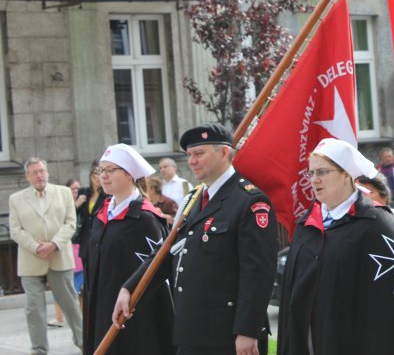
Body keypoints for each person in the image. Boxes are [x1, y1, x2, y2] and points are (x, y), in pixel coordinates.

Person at [278, 138, 394, 355]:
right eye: (311, 173)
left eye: (322, 172)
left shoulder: (376, 225)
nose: (314, 180)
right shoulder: (307, 225)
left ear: (346, 174)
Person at [114, 123, 278, 355]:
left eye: (199, 153)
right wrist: (130, 288)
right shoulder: (194, 199)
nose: (192, 161)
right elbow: (167, 251)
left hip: (229, 335)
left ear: (223, 153)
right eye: (189, 154)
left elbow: (258, 272)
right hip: (192, 331)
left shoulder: (249, 202)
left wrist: (248, 330)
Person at [84, 144, 173, 355]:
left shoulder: (145, 218)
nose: (103, 176)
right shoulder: (102, 214)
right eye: (100, 170)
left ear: (130, 174)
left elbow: (157, 272)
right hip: (100, 308)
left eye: (110, 170)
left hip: (135, 317)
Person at [8, 157, 83, 355]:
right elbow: (15, 231)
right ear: (27, 176)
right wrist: (35, 247)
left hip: (59, 257)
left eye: (42, 171)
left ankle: (86, 344)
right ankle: (39, 350)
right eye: (34, 172)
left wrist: (54, 244)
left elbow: (70, 224)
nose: (39, 175)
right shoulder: (16, 199)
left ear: (47, 172)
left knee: (71, 305)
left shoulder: (64, 193)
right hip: (31, 260)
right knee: (34, 309)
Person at [48, 179, 85, 328]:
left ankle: (82, 318)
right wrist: (76, 205)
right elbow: (65, 222)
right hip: (68, 248)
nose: (76, 191)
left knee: (82, 288)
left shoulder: (85, 204)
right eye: (72, 189)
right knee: (63, 287)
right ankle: (59, 317)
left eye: (77, 188)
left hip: (81, 248)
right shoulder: (63, 204)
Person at [76, 160, 110, 274]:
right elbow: (70, 216)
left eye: (100, 173)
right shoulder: (83, 193)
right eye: (94, 173)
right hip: (85, 243)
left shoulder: (108, 196)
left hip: (101, 242)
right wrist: (76, 205)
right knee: (88, 279)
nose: (97, 177)